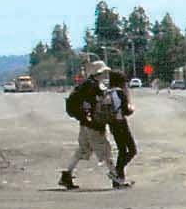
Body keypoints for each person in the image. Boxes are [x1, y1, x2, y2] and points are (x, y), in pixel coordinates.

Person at [58, 61, 121, 189]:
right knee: (105, 150)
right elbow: (96, 106)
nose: (106, 74)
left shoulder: (85, 85)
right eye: (104, 72)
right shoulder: (94, 87)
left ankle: (67, 175)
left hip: (84, 123)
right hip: (93, 125)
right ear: (99, 73)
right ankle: (116, 177)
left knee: (82, 150)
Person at [106, 69, 139, 186]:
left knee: (122, 150)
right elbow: (126, 111)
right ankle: (116, 173)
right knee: (132, 150)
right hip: (121, 123)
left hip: (112, 124)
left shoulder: (108, 92)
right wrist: (132, 107)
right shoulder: (120, 92)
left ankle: (118, 179)